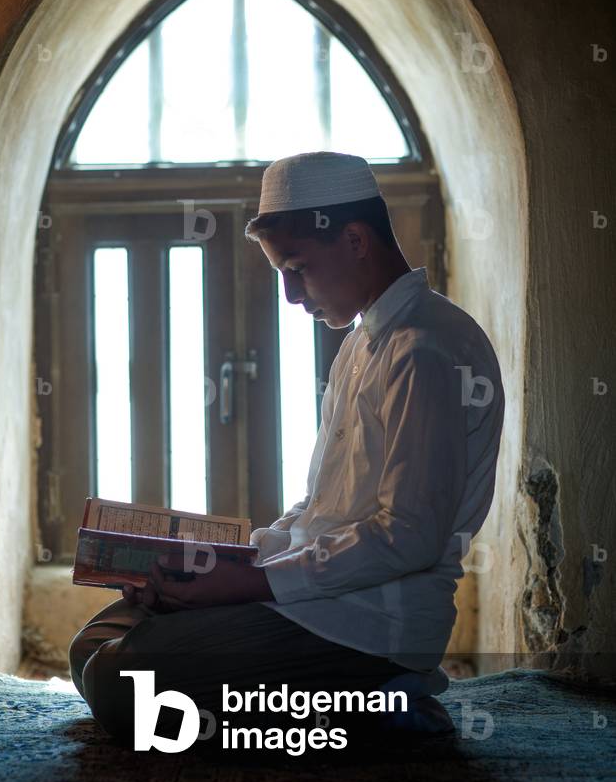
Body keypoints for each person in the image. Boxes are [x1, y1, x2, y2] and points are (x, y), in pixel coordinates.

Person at [68, 151, 505, 751]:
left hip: (369, 621)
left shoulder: (424, 351)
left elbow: (408, 537)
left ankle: (379, 708)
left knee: (121, 683)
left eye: (296, 267)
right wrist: (227, 564)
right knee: (91, 649)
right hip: (305, 595)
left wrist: (253, 587)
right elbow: (319, 510)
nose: (290, 294)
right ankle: (345, 708)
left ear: (354, 240)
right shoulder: (361, 344)